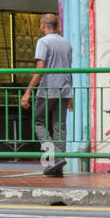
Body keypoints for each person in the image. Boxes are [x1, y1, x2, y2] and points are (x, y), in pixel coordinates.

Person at [21, 14, 73, 177]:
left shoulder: (43, 42)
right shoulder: (66, 43)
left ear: (43, 25)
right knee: (60, 126)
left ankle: (54, 159)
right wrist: (70, 94)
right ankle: (57, 164)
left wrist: (28, 92)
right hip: (64, 89)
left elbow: (40, 67)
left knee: (39, 122)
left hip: (47, 89)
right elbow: (69, 68)